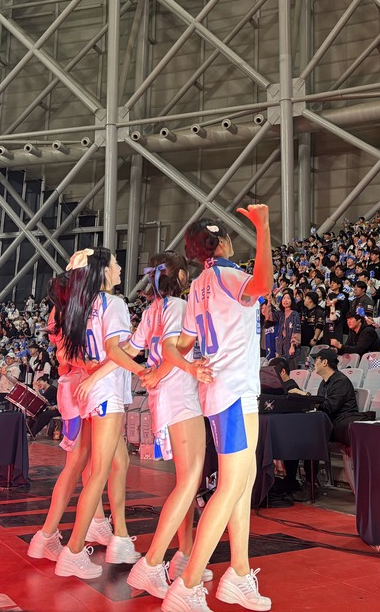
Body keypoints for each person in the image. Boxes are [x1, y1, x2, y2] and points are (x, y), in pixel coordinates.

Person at [161, 206, 274, 612]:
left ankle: (239, 573)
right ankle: (188, 585)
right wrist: (263, 228)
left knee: (241, 484)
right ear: (222, 242)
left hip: (220, 392)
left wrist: (188, 367)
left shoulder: (197, 286)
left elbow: (175, 345)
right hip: (234, 392)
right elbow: (264, 283)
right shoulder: (228, 275)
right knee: (229, 488)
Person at [125, 252, 214, 599]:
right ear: (180, 277)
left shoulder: (152, 309)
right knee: (190, 479)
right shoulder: (177, 306)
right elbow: (170, 350)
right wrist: (163, 372)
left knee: (186, 482)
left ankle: (185, 555)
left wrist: (137, 373)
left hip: (165, 397)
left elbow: (131, 350)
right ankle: (151, 562)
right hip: (181, 395)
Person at [54, 248, 147, 579]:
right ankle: (74, 549)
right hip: (106, 393)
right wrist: (143, 371)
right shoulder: (114, 303)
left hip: (94, 394)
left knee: (119, 462)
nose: (119, 267)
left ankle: (120, 536)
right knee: (99, 471)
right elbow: (115, 352)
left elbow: (68, 354)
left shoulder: (83, 304)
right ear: (104, 270)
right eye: (115, 263)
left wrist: (91, 371)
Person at [28, 271, 122, 570]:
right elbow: (64, 356)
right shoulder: (67, 313)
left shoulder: (67, 311)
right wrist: (90, 365)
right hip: (75, 389)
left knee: (88, 463)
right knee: (78, 464)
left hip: (76, 388)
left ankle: (92, 523)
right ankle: (48, 534)